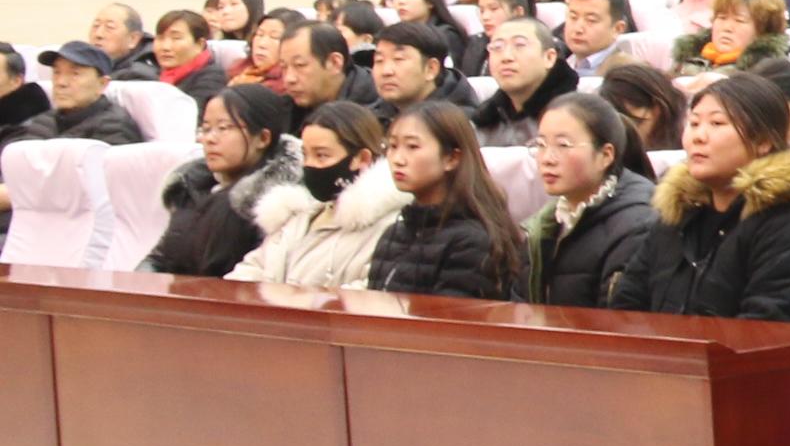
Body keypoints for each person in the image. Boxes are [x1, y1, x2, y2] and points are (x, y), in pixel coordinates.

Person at [610, 70, 790, 325]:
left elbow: (771, 326)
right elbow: (627, 307)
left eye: (717, 124)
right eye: (694, 123)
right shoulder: (677, 215)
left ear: (763, 141)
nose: (698, 136)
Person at [232, 103, 406, 288]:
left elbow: (369, 291)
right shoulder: (297, 218)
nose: (310, 165)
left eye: (321, 156)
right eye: (305, 155)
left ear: (361, 158)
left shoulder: (389, 227)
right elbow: (251, 270)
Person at [143, 82, 300, 278]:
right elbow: (160, 258)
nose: (209, 139)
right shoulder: (193, 187)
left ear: (263, 138)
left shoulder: (277, 207)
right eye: (206, 128)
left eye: (223, 128)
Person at [519, 91, 658, 307]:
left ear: (606, 155)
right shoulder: (546, 221)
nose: (547, 159)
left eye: (563, 145)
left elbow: (620, 316)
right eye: (541, 145)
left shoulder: (637, 224)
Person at [366, 100, 516, 300]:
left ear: (451, 158)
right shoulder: (393, 235)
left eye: (412, 146)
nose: (397, 159)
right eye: (392, 146)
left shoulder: (472, 241)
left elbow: (450, 316)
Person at [7, 41, 148, 150]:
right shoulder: (44, 121)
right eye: (57, 72)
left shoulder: (114, 127)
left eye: (75, 74)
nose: (61, 82)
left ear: (102, 83)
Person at [469, 15, 573, 147]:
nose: (506, 57)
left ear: (549, 57)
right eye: (497, 47)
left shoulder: (575, 117)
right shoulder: (483, 120)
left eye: (520, 45)